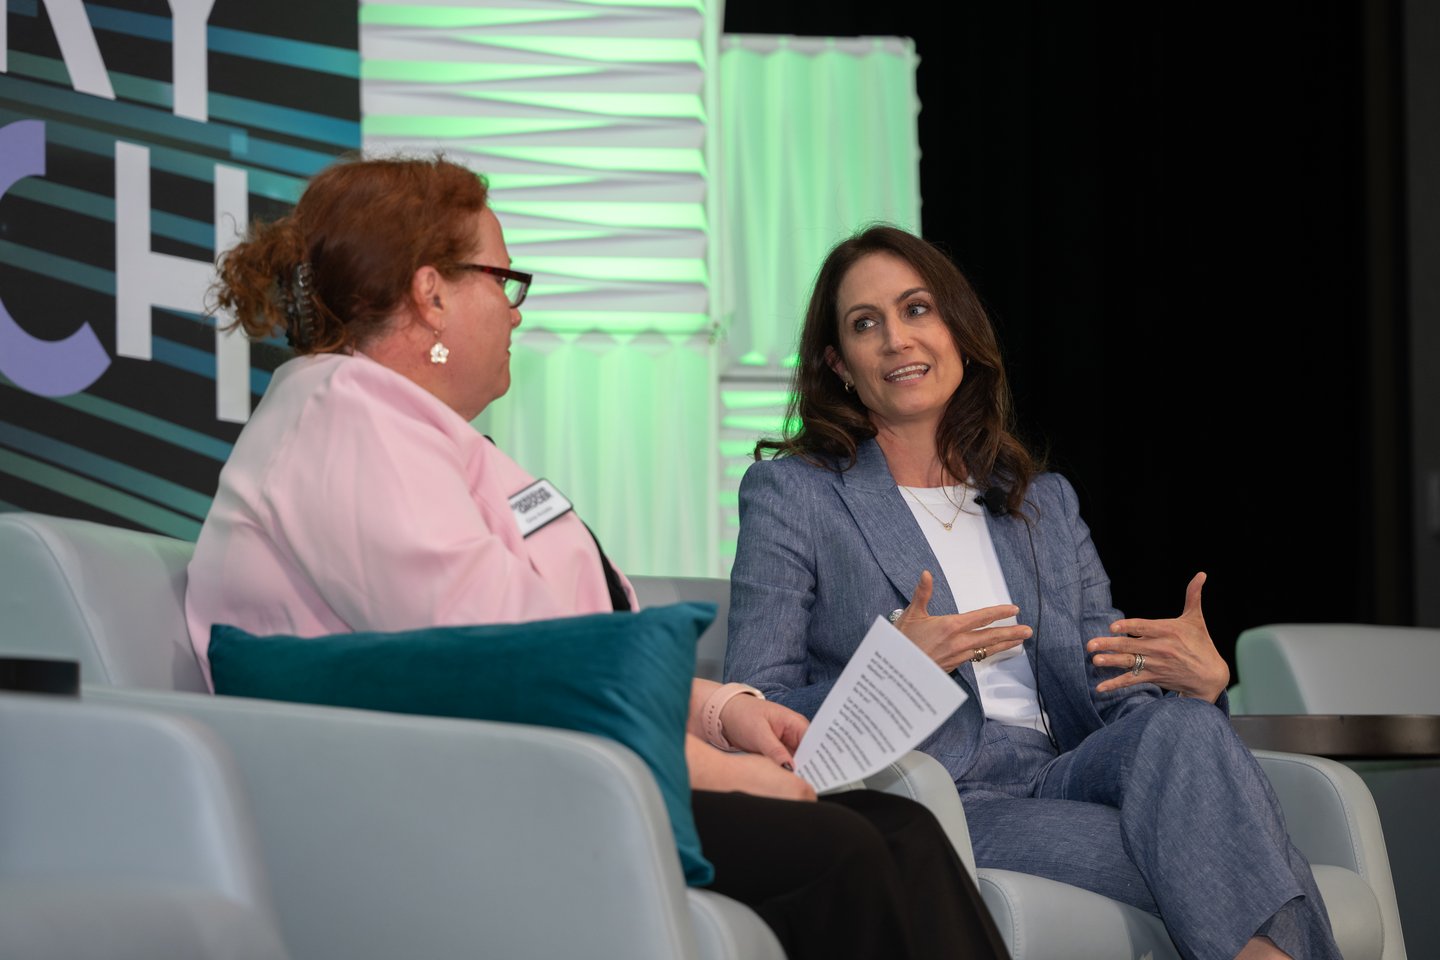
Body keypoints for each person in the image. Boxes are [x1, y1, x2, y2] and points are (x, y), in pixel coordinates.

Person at [184, 157, 1009, 960]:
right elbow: (506, 666)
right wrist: (714, 773)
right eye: (503, 281)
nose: (515, 314)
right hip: (439, 800)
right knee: (843, 853)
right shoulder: (343, 427)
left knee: (904, 832)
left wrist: (719, 713)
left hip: (537, 766)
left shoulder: (416, 433)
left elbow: (567, 640)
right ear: (431, 294)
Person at [725, 225, 1342, 960]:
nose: (896, 339)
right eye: (865, 324)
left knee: (1186, 729)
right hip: (941, 793)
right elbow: (754, 708)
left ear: (958, 330)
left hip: (1069, 769)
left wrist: (1196, 688)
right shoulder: (794, 495)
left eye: (917, 309)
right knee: (1231, 859)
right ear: (840, 367)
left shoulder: (1041, 502)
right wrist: (892, 671)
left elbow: (1116, 692)